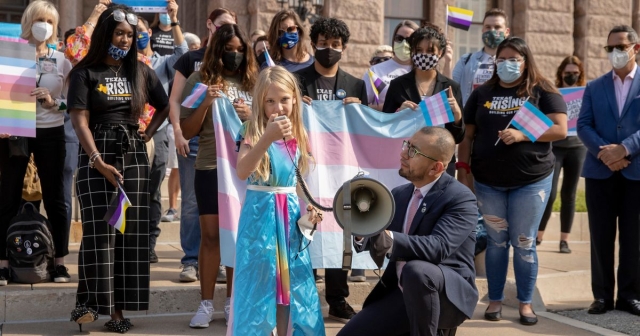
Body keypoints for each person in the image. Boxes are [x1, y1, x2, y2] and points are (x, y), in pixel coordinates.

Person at [66, 4, 169, 332]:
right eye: (120, 33)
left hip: (133, 157)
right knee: (99, 232)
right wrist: (98, 161)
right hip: (95, 155)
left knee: (128, 234)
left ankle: (117, 313)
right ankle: (88, 303)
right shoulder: (85, 72)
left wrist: (147, 133)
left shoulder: (140, 71)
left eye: (130, 35)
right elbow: (79, 119)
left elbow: (165, 107)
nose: (125, 40)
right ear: (106, 34)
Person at [457, 36, 567, 326]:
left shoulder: (541, 91)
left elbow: (560, 129)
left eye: (513, 59)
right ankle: (494, 300)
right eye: (501, 59)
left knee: (524, 243)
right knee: (495, 243)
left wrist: (523, 134)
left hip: (531, 182)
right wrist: (463, 169)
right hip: (488, 182)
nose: (507, 64)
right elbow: (467, 135)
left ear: (525, 60)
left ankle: (525, 304)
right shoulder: (482, 92)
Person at [339, 127, 478, 336]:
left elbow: (438, 247)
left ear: (436, 167)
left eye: (414, 151)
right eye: (407, 145)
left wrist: (389, 238)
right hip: (401, 292)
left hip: (445, 294)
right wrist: (361, 230)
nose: (403, 153)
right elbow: (379, 242)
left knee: (417, 271)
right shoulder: (400, 194)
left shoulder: (460, 198)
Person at [227, 65, 325, 336]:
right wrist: (267, 138)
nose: (277, 107)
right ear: (260, 102)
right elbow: (243, 170)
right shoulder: (252, 129)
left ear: (295, 99)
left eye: (284, 99)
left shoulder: (299, 133)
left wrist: (310, 205)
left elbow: (296, 181)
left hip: (290, 214)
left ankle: (284, 332)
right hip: (260, 215)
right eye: (270, 101)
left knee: (290, 284)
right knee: (260, 282)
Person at [180, 23, 257, 328]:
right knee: (211, 237)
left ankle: (232, 301)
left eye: (240, 50)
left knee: (237, 238)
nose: (235, 55)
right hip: (210, 167)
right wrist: (207, 102)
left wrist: (253, 116)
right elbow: (187, 130)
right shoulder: (200, 81)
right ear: (217, 49)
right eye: (229, 49)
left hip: (246, 169)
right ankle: (206, 303)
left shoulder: (254, 83)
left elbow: (272, 122)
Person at [294, 16, 367, 323]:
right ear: (313, 45)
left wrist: (359, 110)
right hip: (308, 170)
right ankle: (305, 294)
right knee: (307, 228)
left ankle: (337, 299)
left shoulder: (356, 85)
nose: (329, 49)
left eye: (335, 45)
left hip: (342, 171)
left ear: (344, 48)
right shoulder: (297, 81)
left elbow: (366, 130)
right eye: (323, 43)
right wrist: (298, 106)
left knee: (340, 231)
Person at [0, 0, 73, 285]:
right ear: (29, 22)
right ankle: (4, 264)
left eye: (50, 21)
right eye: (40, 19)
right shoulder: (10, 55)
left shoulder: (62, 60)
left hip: (51, 132)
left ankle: (59, 263)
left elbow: (72, 104)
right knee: (8, 196)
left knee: (56, 199)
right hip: (15, 131)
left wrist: (54, 102)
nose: (45, 26)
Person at [169, 7, 236, 288]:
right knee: (192, 204)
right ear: (210, 25)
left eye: (231, 26)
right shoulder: (191, 60)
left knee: (223, 208)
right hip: (193, 140)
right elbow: (175, 100)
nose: (226, 31)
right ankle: (190, 261)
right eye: (221, 26)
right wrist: (178, 133)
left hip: (226, 147)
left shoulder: (236, 68)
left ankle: (217, 262)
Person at [578, 25, 640, 317]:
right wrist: (607, 154)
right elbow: (583, 126)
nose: (614, 53)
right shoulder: (594, 86)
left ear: (635, 48)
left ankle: (630, 295)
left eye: (620, 47)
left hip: (635, 171)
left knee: (634, 237)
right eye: (610, 48)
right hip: (600, 172)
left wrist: (624, 149)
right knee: (601, 236)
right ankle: (601, 296)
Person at [134, 1, 188, 264]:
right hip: (127, 133)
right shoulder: (121, 64)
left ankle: (149, 243)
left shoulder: (163, 63)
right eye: (133, 31)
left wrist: (175, 19)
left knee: (152, 192)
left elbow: (183, 53)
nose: (138, 35)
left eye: (142, 29)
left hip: (155, 133)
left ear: (151, 33)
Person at [382, 24, 465, 175]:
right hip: (406, 162)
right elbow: (385, 128)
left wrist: (458, 116)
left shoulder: (451, 88)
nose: (424, 55)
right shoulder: (398, 85)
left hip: (441, 165)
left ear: (440, 53)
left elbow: (457, 137)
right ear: (412, 51)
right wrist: (399, 112)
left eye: (430, 50)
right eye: (419, 50)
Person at [537, 56, 587, 253]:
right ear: (561, 73)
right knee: (549, 194)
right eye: (568, 73)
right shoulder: (553, 92)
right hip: (555, 146)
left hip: (578, 147)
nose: (571, 76)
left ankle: (564, 239)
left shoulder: (586, 93)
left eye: (575, 73)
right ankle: (539, 234)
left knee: (570, 193)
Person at [452, 8, 510, 106]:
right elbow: (451, 89)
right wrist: (448, 61)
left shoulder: (513, 63)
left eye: (497, 27)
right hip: (471, 119)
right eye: (488, 27)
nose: (492, 30)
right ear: (483, 30)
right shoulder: (466, 60)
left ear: (507, 32)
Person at [364, 20, 419, 111]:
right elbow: (362, 106)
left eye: (409, 40)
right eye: (399, 39)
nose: (404, 44)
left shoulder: (422, 71)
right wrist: (394, 108)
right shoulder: (375, 71)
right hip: (384, 124)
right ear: (393, 40)